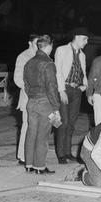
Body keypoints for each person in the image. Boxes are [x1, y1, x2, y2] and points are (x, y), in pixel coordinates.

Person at [23, 34, 60, 175]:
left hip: (31, 102)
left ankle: (28, 164)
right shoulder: (49, 64)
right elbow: (52, 87)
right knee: (42, 135)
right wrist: (56, 108)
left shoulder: (29, 62)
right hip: (45, 103)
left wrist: (32, 97)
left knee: (31, 133)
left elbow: (26, 85)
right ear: (49, 46)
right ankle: (40, 167)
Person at [54, 27, 89, 164]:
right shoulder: (61, 50)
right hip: (65, 89)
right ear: (78, 37)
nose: (86, 42)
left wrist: (84, 86)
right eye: (85, 39)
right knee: (63, 123)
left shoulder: (82, 55)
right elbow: (57, 71)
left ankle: (68, 152)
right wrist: (61, 90)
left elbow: (83, 73)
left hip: (76, 91)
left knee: (71, 124)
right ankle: (60, 154)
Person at [13, 33, 39, 164]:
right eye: (36, 43)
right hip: (28, 97)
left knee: (37, 127)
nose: (39, 46)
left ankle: (32, 153)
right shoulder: (23, 56)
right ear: (30, 43)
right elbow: (17, 79)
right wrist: (32, 88)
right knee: (27, 126)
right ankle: (22, 156)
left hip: (40, 99)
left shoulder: (42, 56)